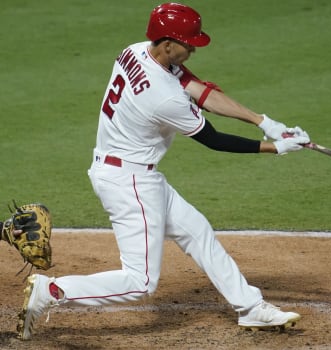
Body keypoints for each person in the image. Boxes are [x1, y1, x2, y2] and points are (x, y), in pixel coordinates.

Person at [17, 2, 310, 340]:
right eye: (188, 44)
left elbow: (199, 90)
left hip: (130, 172)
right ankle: (52, 292)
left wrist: (266, 122)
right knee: (140, 281)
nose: (192, 50)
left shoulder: (137, 51)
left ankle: (250, 307)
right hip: (130, 182)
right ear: (168, 42)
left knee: (197, 232)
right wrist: (275, 148)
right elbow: (213, 140)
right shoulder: (163, 96)